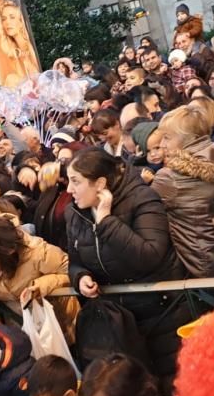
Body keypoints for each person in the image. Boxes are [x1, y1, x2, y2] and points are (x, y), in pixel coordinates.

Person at [65, 148, 186, 378]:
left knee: (173, 385)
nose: (69, 189)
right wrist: (80, 277)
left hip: (161, 313)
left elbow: (150, 255)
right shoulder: (74, 213)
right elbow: (75, 260)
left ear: (99, 183)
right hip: (118, 321)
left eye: (75, 181)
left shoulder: (142, 198)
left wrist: (106, 222)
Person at [153, 104, 214, 278]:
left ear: (186, 138)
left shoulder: (169, 178)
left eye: (167, 138)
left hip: (203, 266)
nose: (161, 145)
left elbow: (147, 212)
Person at [0, 216, 76, 340]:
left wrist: (41, 285)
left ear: (7, 249)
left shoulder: (37, 252)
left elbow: (73, 274)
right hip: (24, 329)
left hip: (63, 321)